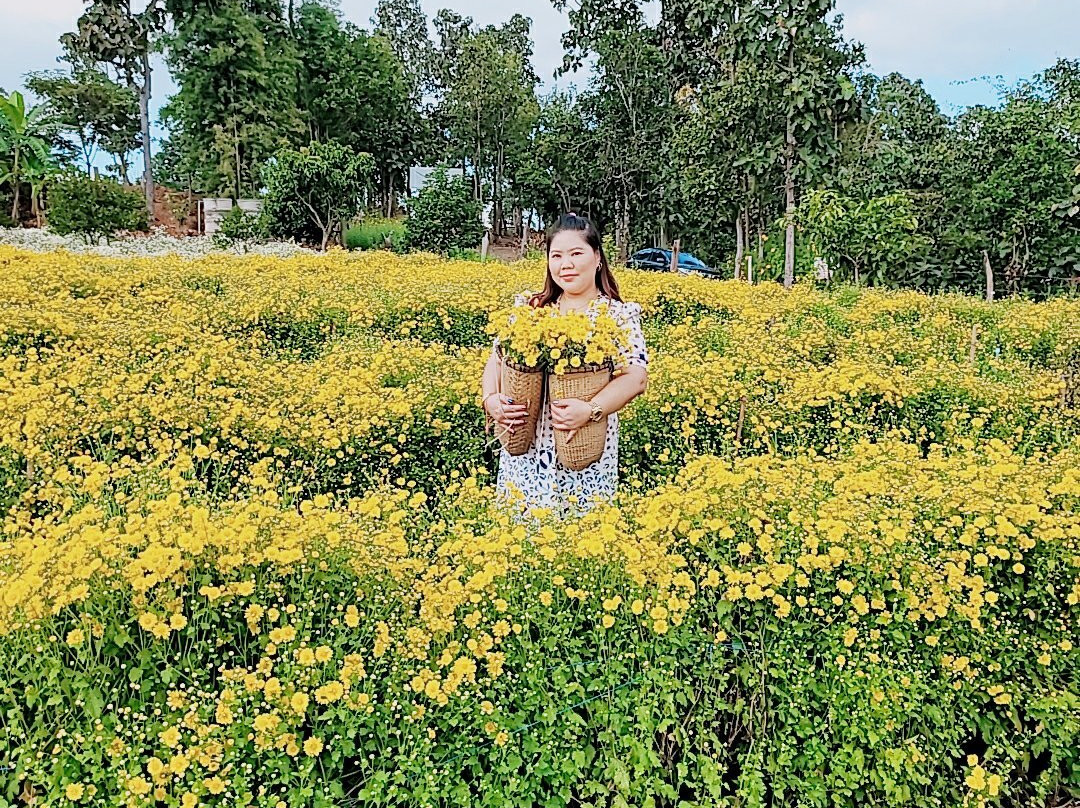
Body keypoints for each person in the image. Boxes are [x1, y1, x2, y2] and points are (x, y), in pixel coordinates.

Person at [480, 213, 649, 518]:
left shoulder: (617, 315)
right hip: (526, 452)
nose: (565, 264)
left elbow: (636, 377)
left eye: (576, 254)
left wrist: (591, 409)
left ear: (597, 258)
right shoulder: (533, 308)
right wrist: (491, 400)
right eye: (556, 255)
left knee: (581, 537)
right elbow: (497, 358)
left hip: (583, 446)